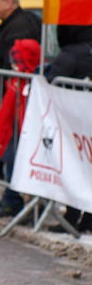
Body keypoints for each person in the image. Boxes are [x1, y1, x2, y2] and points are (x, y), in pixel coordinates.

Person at [0, 0, 41, 217]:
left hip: (17, 100)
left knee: (13, 150)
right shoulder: (13, 24)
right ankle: (14, 197)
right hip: (12, 98)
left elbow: (20, 64)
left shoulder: (20, 27)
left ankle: (13, 199)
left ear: (9, 3)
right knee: (11, 148)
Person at [46, 25, 92, 232]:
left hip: (72, 123)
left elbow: (51, 83)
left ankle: (72, 217)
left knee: (74, 167)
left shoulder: (70, 54)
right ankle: (88, 218)